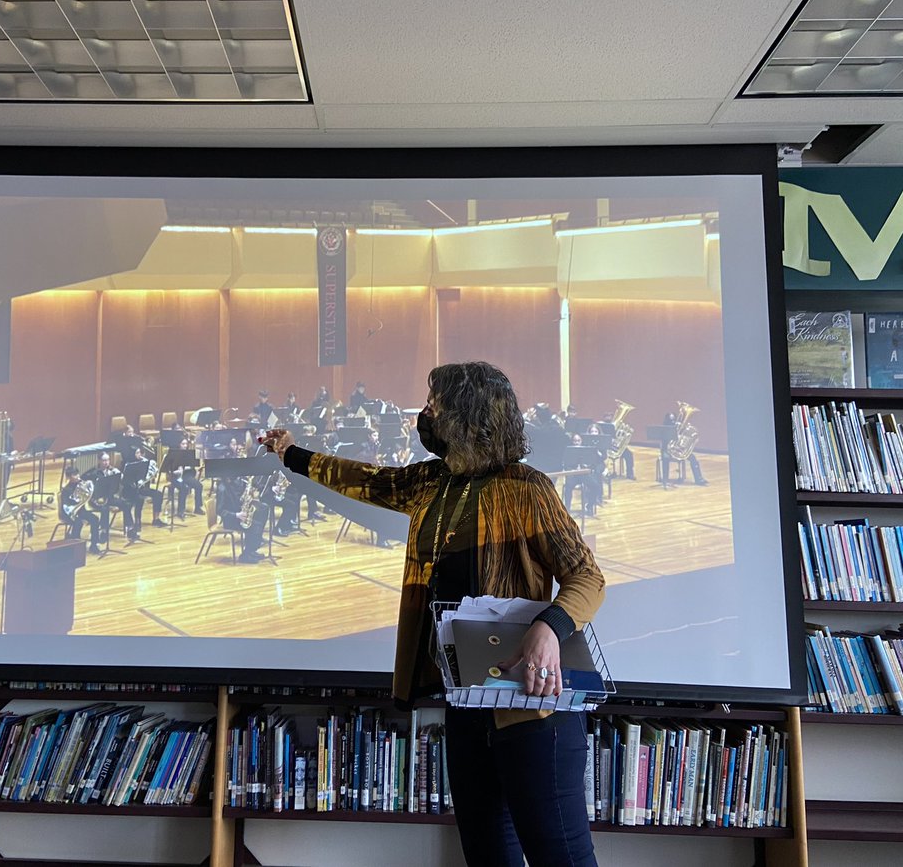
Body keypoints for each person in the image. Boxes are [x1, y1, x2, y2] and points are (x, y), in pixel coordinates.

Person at [263, 361, 605, 867]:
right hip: (465, 706)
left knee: (562, 860)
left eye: (436, 405)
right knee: (489, 856)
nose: (425, 414)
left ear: (467, 418)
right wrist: (290, 454)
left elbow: (586, 577)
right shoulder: (430, 482)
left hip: (534, 711)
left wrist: (548, 628)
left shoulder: (528, 489)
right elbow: (364, 480)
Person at [58, 466, 102, 555]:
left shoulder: (81, 485)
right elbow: (66, 505)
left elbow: (86, 498)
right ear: (69, 477)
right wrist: (77, 501)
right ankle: (75, 547)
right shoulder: (66, 490)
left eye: (77, 474)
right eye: (74, 475)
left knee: (95, 519)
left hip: (80, 511)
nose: (77, 476)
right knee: (78, 522)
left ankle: (94, 545)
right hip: (68, 513)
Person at [661, 410, 707, 486]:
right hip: (667, 450)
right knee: (665, 457)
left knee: (692, 457)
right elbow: (665, 444)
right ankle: (665, 479)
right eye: (671, 420)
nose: (673, 422)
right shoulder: (664, 430)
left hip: (678, 450)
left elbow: (684, 440)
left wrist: (689, 439)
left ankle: (699, 479)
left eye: (674, 420)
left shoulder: (679, 428)